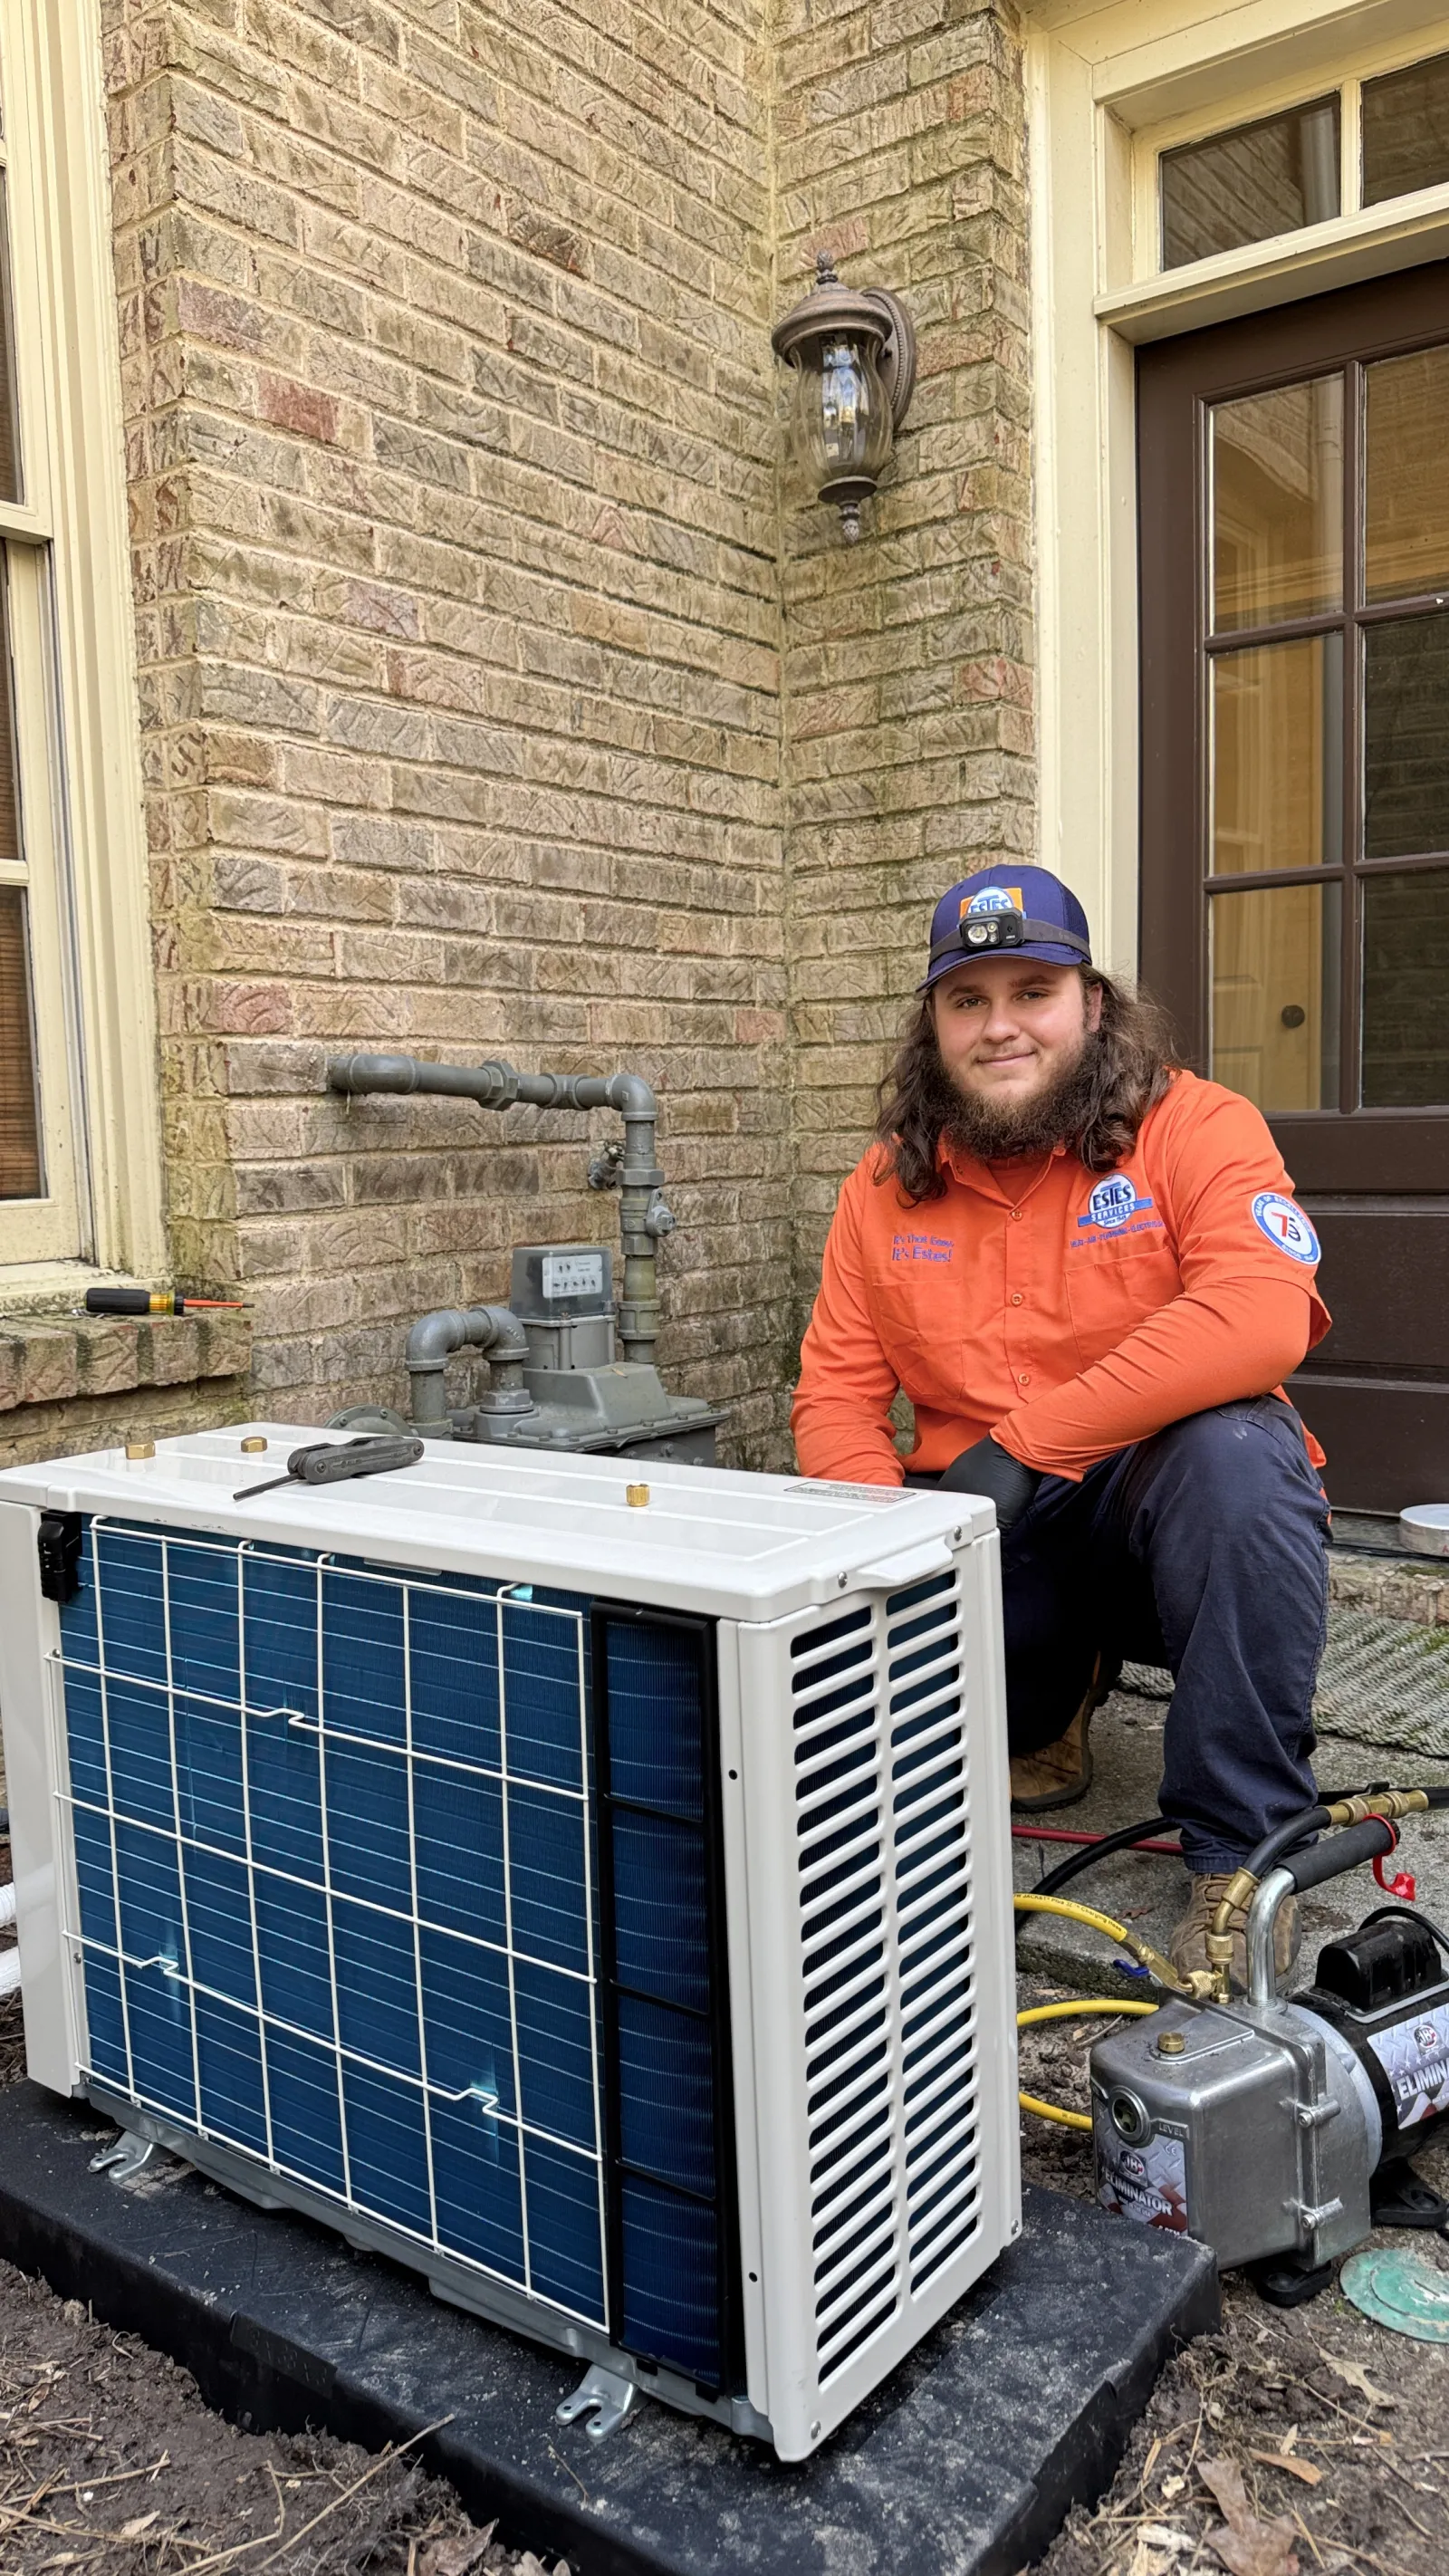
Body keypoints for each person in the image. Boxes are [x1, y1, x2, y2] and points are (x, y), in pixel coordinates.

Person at [792, 864, 1332, 1988]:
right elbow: (836, 1396)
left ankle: (1246, 1852)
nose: (1000, 1028)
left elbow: (1259, 1314)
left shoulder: (1195, 1127)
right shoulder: (882, 1187)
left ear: (1092, 1003)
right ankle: (1053, 1695)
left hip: (1152, 1516)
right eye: (966, 1000)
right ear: (931, 1023)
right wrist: (885, 1552)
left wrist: (1028, 1443)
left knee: (1237, 1458)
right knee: (959, 1744)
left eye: (1031, 991)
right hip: (992, 1540)